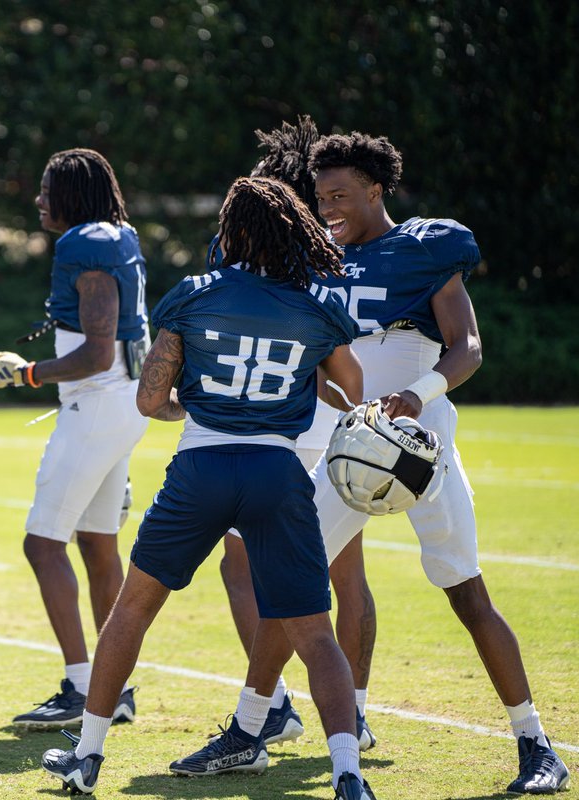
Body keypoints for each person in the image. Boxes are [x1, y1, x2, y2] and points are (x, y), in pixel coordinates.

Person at [40, 176, 373, 799]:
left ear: (235, 230)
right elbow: (355, 392)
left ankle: (86, 756)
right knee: (313, 631)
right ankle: (348, 774)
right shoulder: (314, 304)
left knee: (132, 609)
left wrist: (194, 407)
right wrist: (304, 386)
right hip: (279, 472)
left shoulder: (195, 294)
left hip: (202, 469)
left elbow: (148, 399)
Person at [298, 131, 566, 794]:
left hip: (419, 445)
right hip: (349, 443)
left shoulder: (425, 246)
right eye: (320, 195)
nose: (328, 206)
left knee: (465, 590)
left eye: (340, 194)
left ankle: (536, 744)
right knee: (292, 577)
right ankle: (252, 727)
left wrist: (415, 398)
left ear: (375, 189)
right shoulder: (318, 257)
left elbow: (467, 346)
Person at [215, 116, 375, 749]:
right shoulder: (338, 244)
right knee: (345, 573)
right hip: (337, 421)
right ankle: (353, 713)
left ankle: (269, 705)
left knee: (246, 568)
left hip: (276, 424)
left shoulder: (264, 251)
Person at [0, 148, 149, 729]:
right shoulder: (118, 236)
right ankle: (117, 685)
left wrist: (26, 373)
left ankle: (83, 687)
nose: (38, 199)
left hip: (99, 401)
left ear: (73, 197)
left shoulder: (85, 244)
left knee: (41, 543)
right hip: (122, 401)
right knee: (98, 542)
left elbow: (96, 351)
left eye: (48, 188)